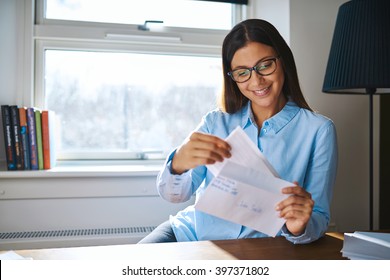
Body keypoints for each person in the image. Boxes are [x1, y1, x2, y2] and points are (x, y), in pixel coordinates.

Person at [138, 19, 338, 244]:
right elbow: (175, 195)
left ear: (283, 61)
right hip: (193, 235)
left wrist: (299, 227)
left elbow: (319, 217)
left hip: (264, 248)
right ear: (232, 78)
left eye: (265, 65)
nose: (256, 80)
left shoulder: (319, 131)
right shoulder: (216, 122)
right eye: (242, 72)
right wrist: (177, 165)